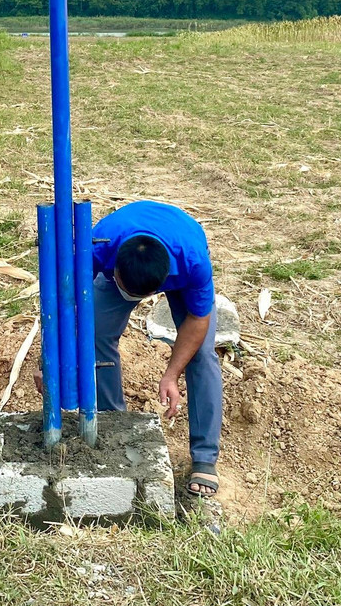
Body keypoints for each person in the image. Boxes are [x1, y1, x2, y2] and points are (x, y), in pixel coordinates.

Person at [59, 200, 223, 498]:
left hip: (180, 246)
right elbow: (64, 301)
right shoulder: (99, 246)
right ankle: (112, 421)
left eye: (137, 296)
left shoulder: (193, 263)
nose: (129, 297)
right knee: (93, 330)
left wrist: (171, 374)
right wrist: (49, 360)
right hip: (124, 246)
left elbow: (198, 319)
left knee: (202, 356)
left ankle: (204, 457)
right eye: (125, 288)